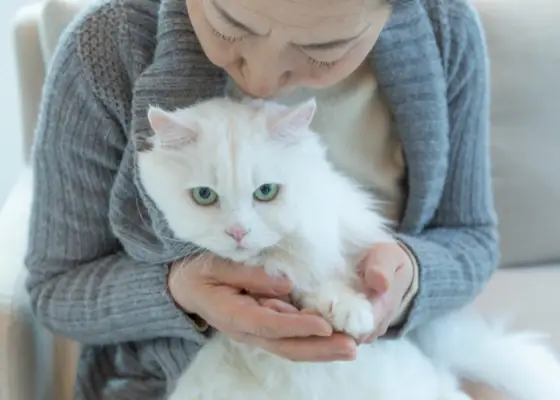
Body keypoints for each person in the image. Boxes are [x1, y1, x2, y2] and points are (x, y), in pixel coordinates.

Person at [24, 0, 504, 398]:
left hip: (385, 370)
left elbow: (472, 238)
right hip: (179, 380)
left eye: (322, 50)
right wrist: (180, 293)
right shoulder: (106, 46)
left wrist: (409, 274)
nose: (261, 79)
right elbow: (56, 293)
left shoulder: (445, 31)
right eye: (230, 25)